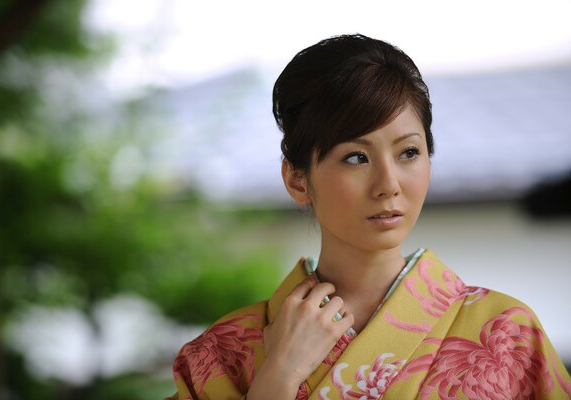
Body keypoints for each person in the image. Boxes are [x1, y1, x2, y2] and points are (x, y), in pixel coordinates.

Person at [169, 34, 571, 399]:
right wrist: (278, 374)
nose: (388, 184)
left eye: (408, 153)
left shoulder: (506, 335)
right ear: (297, 179)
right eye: (356, 157)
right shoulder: (220, 355)